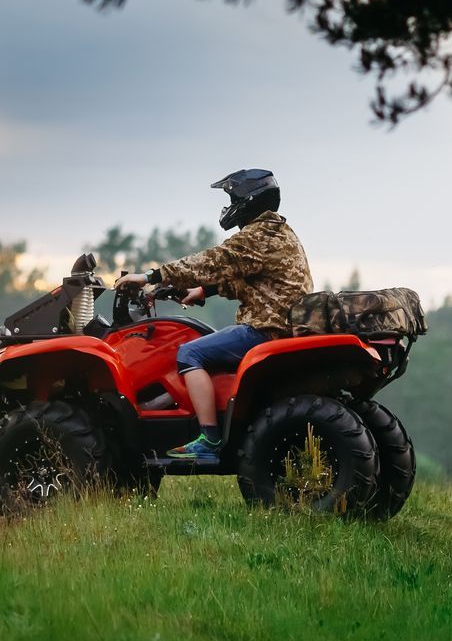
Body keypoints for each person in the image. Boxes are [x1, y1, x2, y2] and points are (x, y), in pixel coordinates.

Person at [114, 168, 311, 463]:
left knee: (189, 353)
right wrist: (204, 292)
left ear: (248, 200)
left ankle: (209, 437)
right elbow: (248, 276)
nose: (229, 205)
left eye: (233, 198)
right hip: (283, 323)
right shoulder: (278, 232)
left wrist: (151, 276)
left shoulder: (256, 236)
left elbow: (210, 262)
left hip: (264, 328)